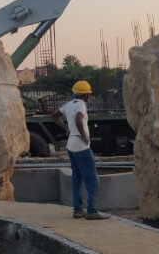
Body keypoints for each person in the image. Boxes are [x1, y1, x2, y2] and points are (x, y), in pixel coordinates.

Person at [51, 80, 108, 220]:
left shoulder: (69, 104)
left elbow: (54, 116)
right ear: (85, 95)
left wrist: (67, 128)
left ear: (75, 93)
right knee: (92, 179)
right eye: (88, 94)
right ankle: (92, 211)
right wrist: (85, 137)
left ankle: (78, 210)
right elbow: (78, 119)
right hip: (81, 146)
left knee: (76, 178)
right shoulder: (81, 105)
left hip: (71, 145)